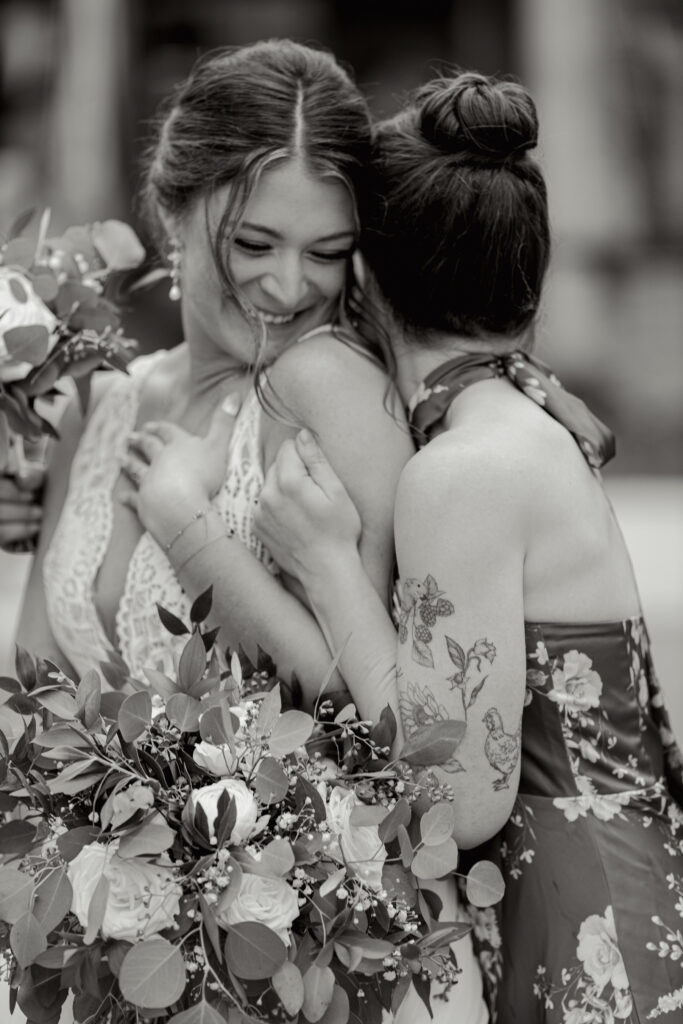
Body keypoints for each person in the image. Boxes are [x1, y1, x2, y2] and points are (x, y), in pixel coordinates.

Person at [12, 41, 487, 1021]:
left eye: (326, 252)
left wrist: (199, 539)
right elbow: (35, 705)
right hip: (96, 957)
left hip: (291, 967)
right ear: (171, 209)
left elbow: (389, 731)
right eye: (253, 243)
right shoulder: (101, 406)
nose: (287, 287)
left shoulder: (330, 397)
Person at [253, 72, 683, 1023]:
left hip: (581, 935)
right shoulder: (520, 419)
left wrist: (328, 570)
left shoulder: (463, 471)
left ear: (365, 275)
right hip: (606, 887)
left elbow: (456, 794)